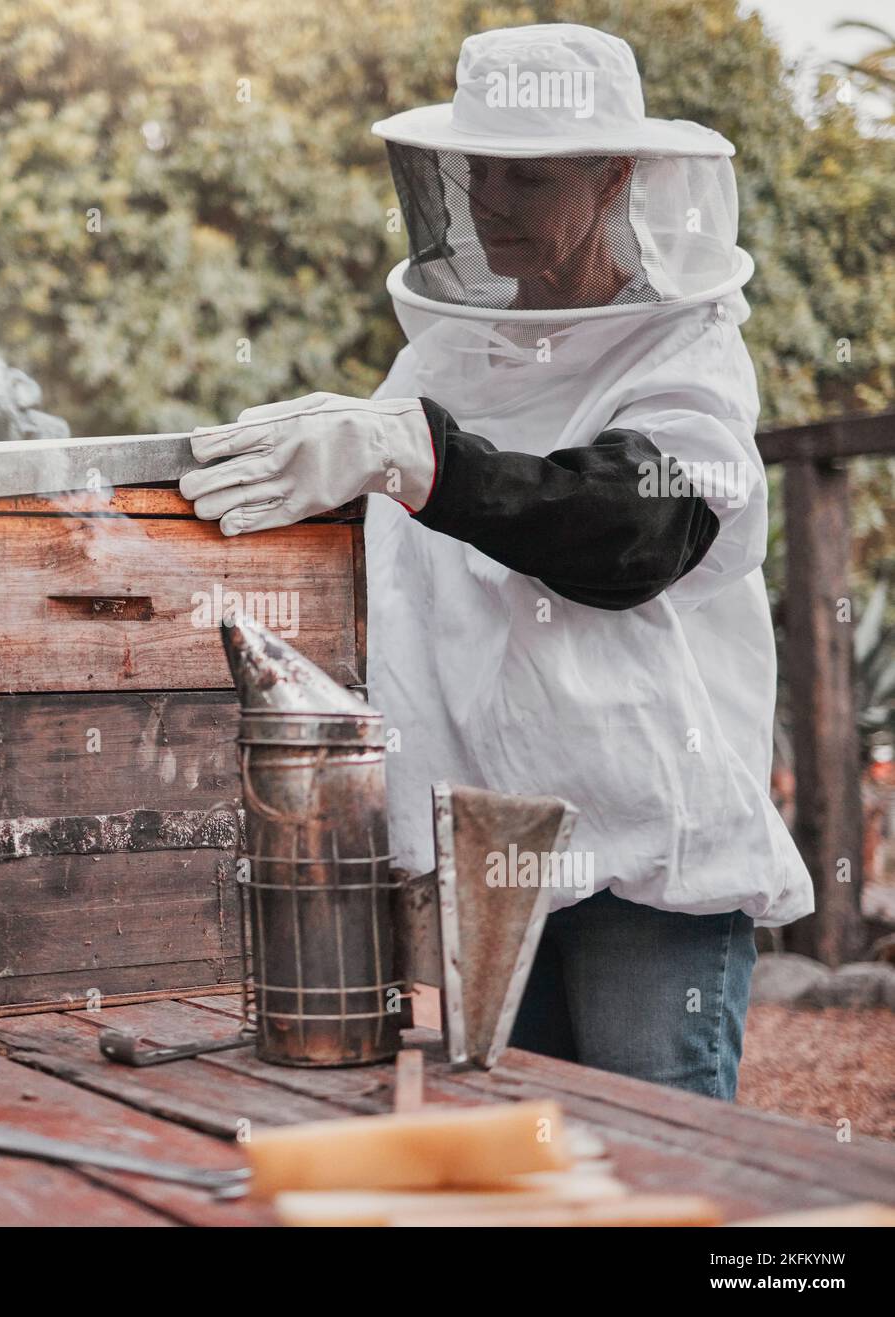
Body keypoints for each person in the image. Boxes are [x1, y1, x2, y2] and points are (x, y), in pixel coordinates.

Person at [179, 23, 814, 1099]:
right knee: (518, 1151)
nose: (489, 203)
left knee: (654, 1164)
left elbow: (633, 528)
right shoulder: (437, 353)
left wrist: (424, 459)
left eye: (527, 176)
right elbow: (409, 535)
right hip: (482, 847)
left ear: (614, 177)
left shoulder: (685, 350)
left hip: (640, 853)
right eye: (476, 173)